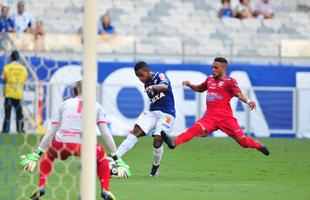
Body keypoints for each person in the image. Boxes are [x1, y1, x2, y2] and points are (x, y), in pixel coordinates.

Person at [19, 81, 131, 200]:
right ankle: (105, 190)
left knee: (49, 155)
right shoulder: (96, 106)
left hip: (62, 143)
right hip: (86, 145)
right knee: (102, 159)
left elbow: (51, 131)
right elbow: (105, 133)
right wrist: (116, 158)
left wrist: (37, 154)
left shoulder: (65, 104)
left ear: (74, 92)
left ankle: (41, 186)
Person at [161, 57, 270, 156]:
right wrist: (190, 85)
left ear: (223, 68)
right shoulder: (209, 80)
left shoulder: (230, 81)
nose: (213, 70)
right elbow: (200, 88)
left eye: (216, 68)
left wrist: (249, 100)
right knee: (193, 130)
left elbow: (239, 94)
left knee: (243, 142)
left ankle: (258, 145)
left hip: (226, 118)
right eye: (212, 67)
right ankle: (174, 143)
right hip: (210, 118)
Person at [116, 61, 176, 177]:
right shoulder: (146, 84)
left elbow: (164, 86)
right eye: (137, 76)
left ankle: (155, 166)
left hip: (167, 113)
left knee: (157, 140)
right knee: (135, 131)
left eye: (141, 75)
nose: (140, 78)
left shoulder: (160, 76)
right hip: (153, 112)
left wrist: (153, 86)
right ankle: (115, 157)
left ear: (147, 71)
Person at [1, 50, 27, 133]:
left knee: (7, 114)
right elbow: (24, 79)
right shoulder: (23, 69)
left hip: (9, 93)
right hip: (18, 94)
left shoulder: (6, 68)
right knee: (19, 114)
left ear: (11, 58)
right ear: (18, 58)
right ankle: (20, 130)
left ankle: (5, 131)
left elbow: (3, 78)